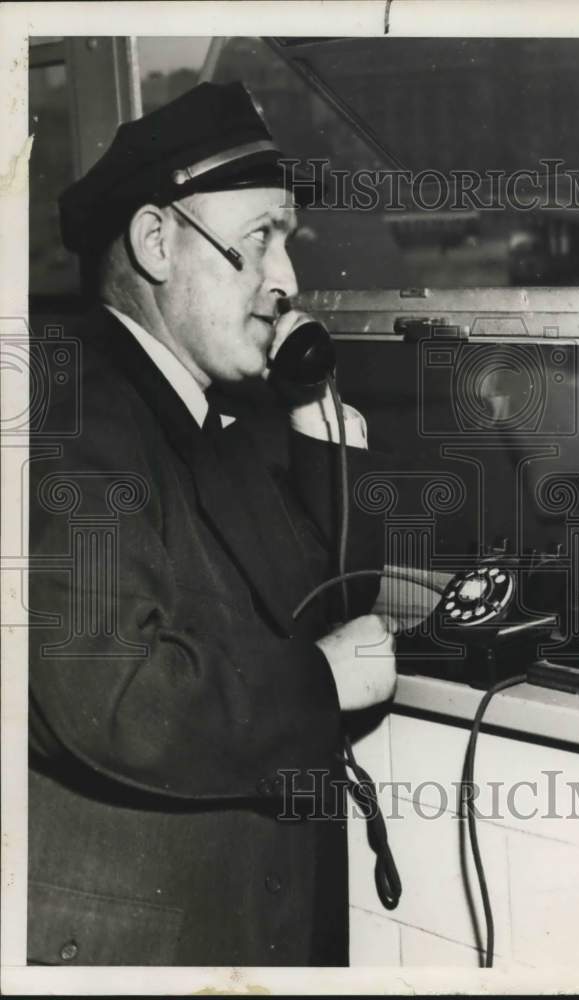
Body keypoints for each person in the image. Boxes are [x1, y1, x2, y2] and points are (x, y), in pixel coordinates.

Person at [27, 81, 397, 967]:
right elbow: (112, 693)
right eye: (259, 238)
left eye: (289, 242)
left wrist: (317, 419)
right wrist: (318, 683)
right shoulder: (69, 410)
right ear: (157, 242)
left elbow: (322, 607)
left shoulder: (191, 416)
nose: (289, 280)